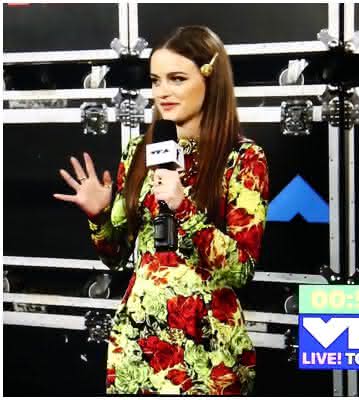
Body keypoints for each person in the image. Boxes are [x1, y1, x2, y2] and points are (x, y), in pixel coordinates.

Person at [54, 26, 268, 395]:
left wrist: (183, 207)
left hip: (206, 355)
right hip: (136, 349)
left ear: (210, 79)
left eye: (177, 79)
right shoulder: (139, 150)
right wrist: (99, 218)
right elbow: (116, 256)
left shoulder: (244, 158)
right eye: (155, 80)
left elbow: (239, 269)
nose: (162, 92)